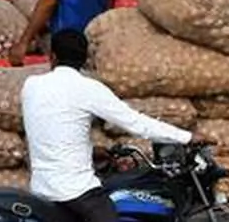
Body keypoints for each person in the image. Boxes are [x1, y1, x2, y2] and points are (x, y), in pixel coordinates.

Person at [22, 30, 200, 222]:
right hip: (76, 192)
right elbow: (137, 123)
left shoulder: (31, 86)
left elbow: (52, 127)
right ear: (85, 59)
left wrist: (91, 151)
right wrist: (187, 137)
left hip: (41, 189)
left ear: (53, 56)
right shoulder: (88, 88)